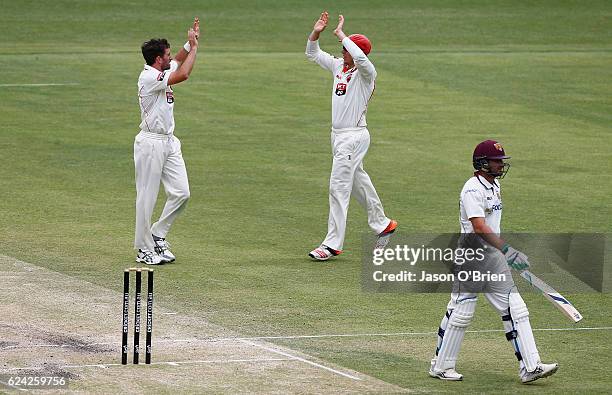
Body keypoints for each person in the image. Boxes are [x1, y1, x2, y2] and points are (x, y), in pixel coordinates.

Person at [429, 140, 558, 383]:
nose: (501, 165)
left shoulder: (494, 185)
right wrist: (508, 250)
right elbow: (479, 226)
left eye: (501, 161)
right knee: (461, 311)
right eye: (497, 161)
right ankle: (441, 366)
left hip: (492, 258)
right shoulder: (471, 190)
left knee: (516, 309)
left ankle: (531, 367)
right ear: (482, 163)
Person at [305, 12, 397, 261]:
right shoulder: (338, 67)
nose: (343, 52)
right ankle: (383, 224)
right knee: (358, 183)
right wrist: (317, 32)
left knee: (338, 187)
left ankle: (332, 244)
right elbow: (312, 54)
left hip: (354, 137)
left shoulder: (367, 74)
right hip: (337, 137)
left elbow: (358, 56)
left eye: (346, 48)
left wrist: (342, 35)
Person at [134, 18, 200, 265]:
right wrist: (195, 50)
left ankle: (157, 234)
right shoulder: (149, 77)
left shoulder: (160, 69)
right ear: (157, 59)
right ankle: (143, 248)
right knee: (147, 197)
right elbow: (183, 73)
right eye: (167, 55)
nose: (171, 58)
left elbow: (178, 61)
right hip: (150, 142)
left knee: (182, 193)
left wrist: (190, 41)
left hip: (169, 141)